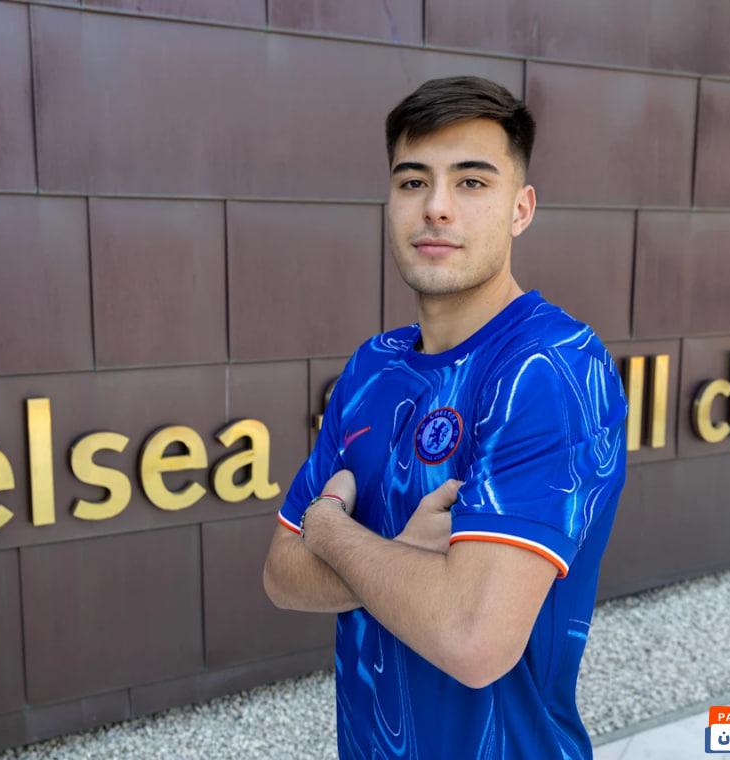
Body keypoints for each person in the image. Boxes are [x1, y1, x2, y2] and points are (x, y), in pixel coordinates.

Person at [262, 75, 629, 759]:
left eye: (471, 182)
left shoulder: (549, 370)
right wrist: (403, 554)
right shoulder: (373, 367)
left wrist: (332, 531)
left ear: (520, 208)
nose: (435, 207)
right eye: (412, 182)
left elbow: (474, 640)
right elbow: (282, 574)